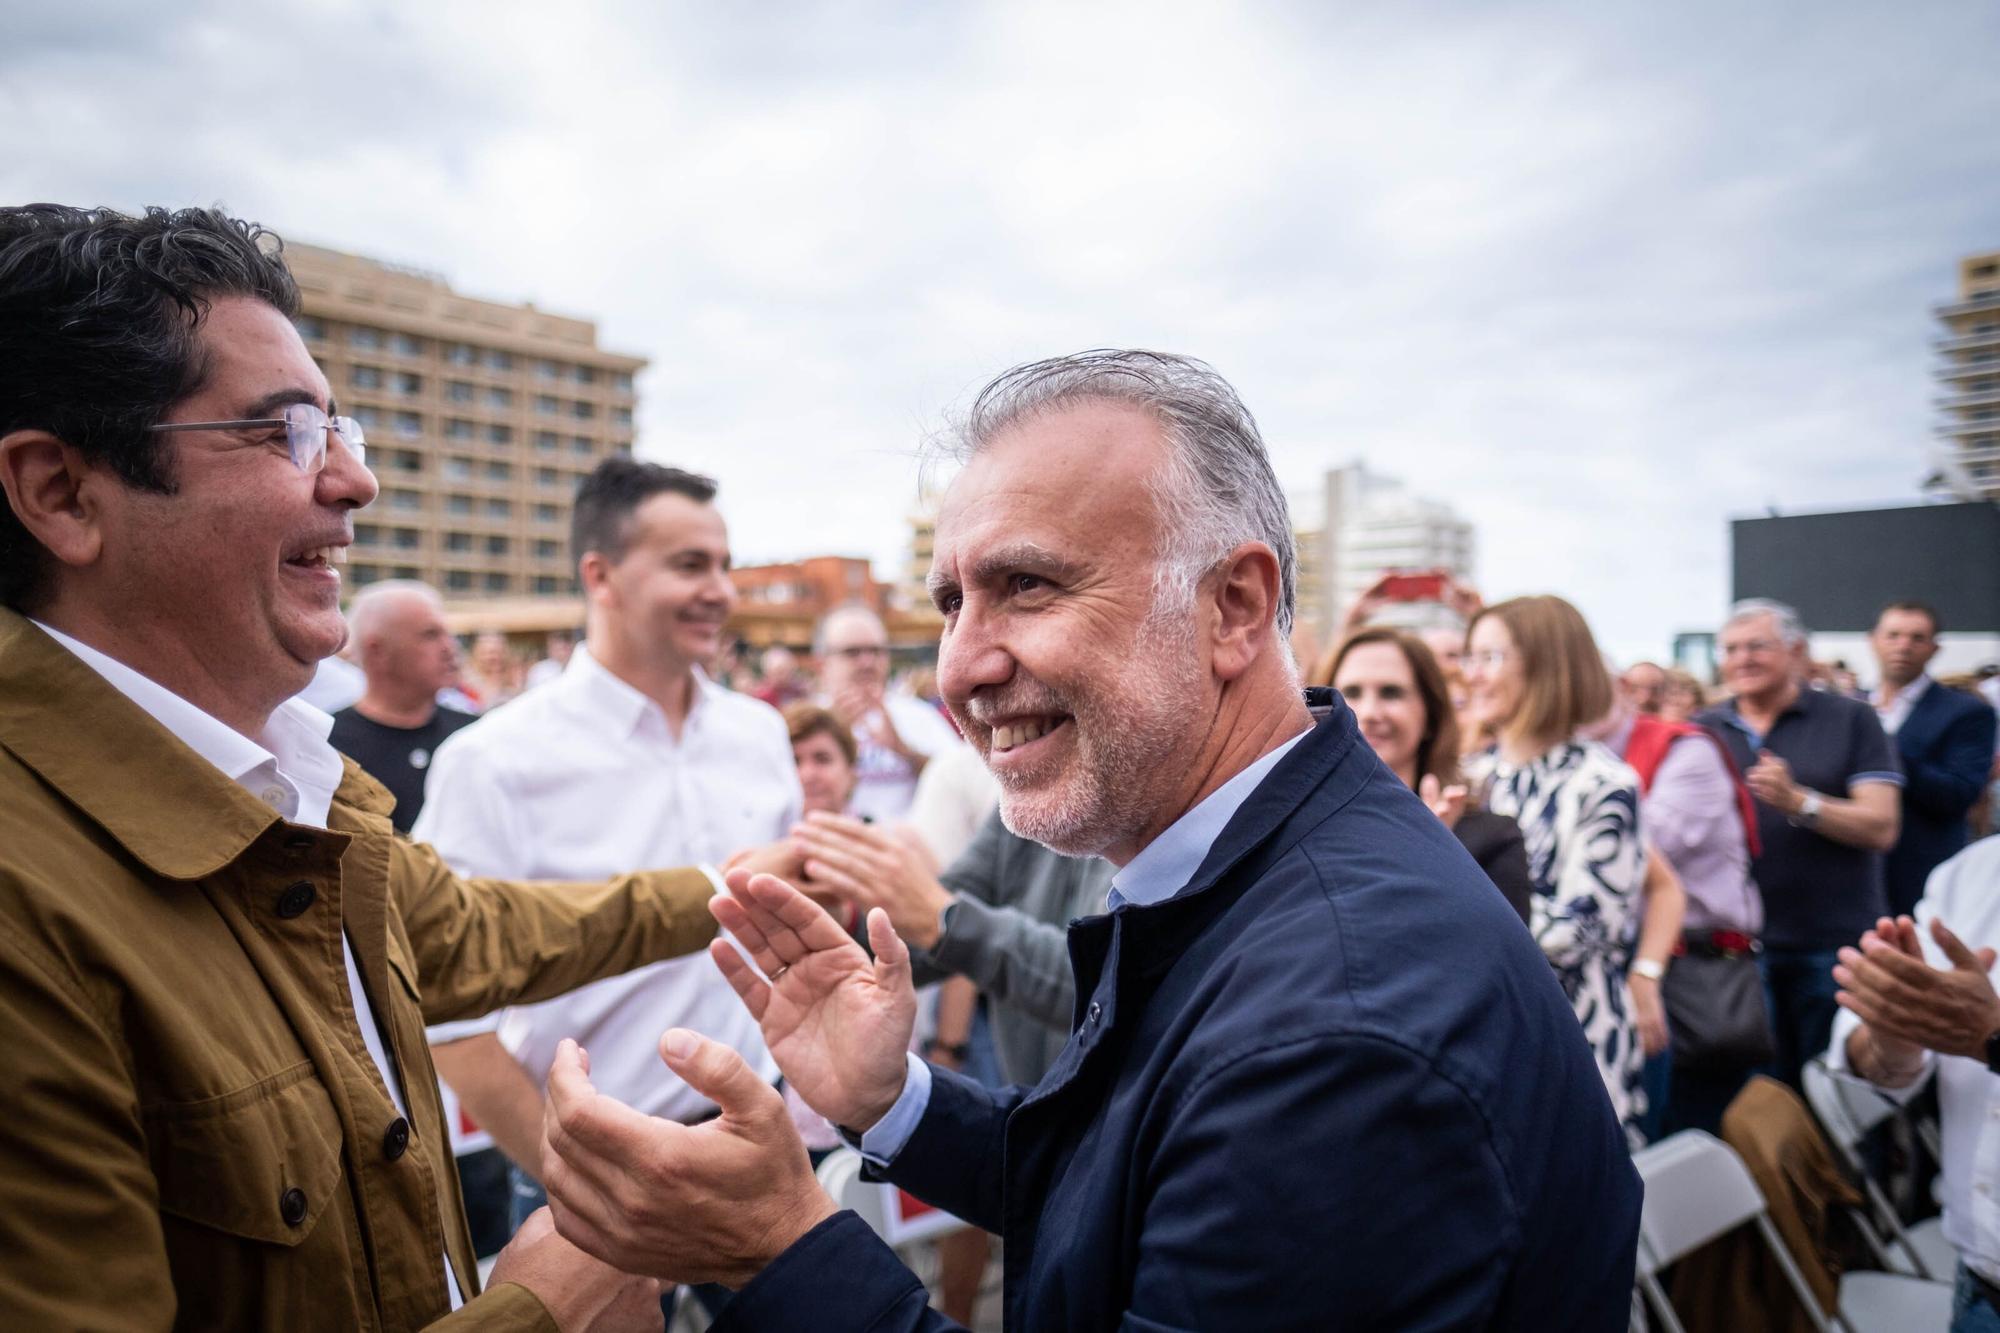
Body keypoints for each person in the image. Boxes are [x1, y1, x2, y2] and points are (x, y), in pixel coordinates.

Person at [537, 349, 1640, 1329]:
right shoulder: (1258, 862)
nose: (961, 666)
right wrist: (891, 1098)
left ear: (1232, 608)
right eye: (951, 602)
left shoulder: (1332, 1043)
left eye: (1025, 585)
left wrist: (776, 1248)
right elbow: (1119, 1183)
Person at [0, 202, 795, 1327]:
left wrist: (750, 883)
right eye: (282, 433)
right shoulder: (26, 901)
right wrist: (553, 1288)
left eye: (343, 431)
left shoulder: (290, 791)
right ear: (60, 492)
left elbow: (478, 936)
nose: (353, 482)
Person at [414, 459, 800, 1274]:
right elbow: (447, 1016)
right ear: (601, 575)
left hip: (759, 1144)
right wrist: (573, 1169)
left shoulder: (759, 735)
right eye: (690, 564)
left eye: (724, 565)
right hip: (591, 1176)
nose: (721, 591)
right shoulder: (491, 760)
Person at [1462, 595, 1649, 1138]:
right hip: (1479, 1028)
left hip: (1568, 1035)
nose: (1471, 675)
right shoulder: (1473, 776)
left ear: (1546, 665)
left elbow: (1580, 929)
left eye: (1490, 658)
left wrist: (1447, 922)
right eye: (1469, 658)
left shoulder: (1602, 785)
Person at [1698, 598, 1902, 1089]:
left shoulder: (1851, 718)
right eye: (1730, 648)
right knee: (1756, 1102)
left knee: (1835, 1089)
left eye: (1757, 646)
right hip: (1734, 952)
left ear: (1796, 651)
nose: (1741, 658)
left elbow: (1882, 825)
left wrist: (1800, 803)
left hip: (1830, 943)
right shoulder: (1703, 728)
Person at [1825, 835, 2000, 1331]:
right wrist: (1892, 1043)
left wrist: (1991, 1036)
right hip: (1979, 1283)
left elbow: (1983, 1034)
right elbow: (1867, 1063)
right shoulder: (1971, 873)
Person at [1602, 666, 1767, 1136]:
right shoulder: (1587, 760)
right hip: (1641, 967)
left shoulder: (1686, 750)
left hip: (1700, 972)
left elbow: (1626, 850)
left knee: (1690, 1135)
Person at [1308, 626, 1532, 922]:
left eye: (1392, 693)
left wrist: (1433, 857)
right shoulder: (1300, 832)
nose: (1371, 712)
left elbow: (1501, 960)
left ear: (1430, 715)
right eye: (1351, 693)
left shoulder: (1490, 840)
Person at [1869, 601, 1996, 917]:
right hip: (1853, 883)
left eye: (1916, 638)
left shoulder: (1965, 712)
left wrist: (1883, 750)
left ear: (1934, 647)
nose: (1903, 646)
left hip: (1921, 876)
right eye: (1894, 635)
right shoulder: (1851, 707)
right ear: (1873, 640)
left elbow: (1959, 793)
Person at [329, 580, 475, 834]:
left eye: (448, 635)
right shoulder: (329, 747)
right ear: (377, 651)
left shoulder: (473, 734)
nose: (450, 648)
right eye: (430, 635)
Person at [816, 603, 960, 822]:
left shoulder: (919, 716)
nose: (867, 661)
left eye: (876, 651)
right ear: (822, 663)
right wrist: (830, 734)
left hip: (907, 848)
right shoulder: (806, 719)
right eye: (852, 652)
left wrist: (904, 750)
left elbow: (961, 782)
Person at [785, 701, 860, 816]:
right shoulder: (759, 833)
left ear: (850, 771)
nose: (808, 775)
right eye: (794, 762)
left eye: (822, 760)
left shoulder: (881, 831)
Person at [460, 628, 522, 710]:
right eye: (488, 653)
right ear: (476, 654)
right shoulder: (467, 683)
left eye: (498, 652)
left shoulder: (514, 681)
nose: (494, 657)